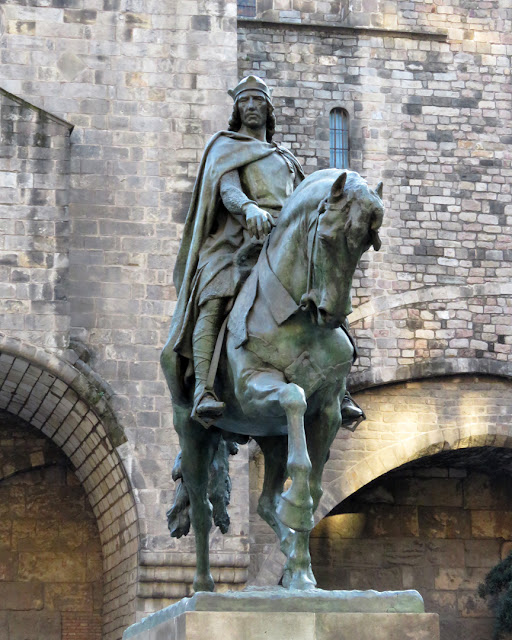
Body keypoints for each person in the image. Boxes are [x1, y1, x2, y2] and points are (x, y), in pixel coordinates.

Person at [166, 75, 363, 427]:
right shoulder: (227, 147)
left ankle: (340, 388)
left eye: (259, 101)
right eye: (246, 102)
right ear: (237, 109)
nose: (252, 107)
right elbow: (227, 189)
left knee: (325, 282)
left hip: (284, 239)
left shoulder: (284, 157)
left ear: (269, 111)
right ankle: (203, 388)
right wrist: (248, 209)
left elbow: (303, 200)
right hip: (238, 240)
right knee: (214, 290)